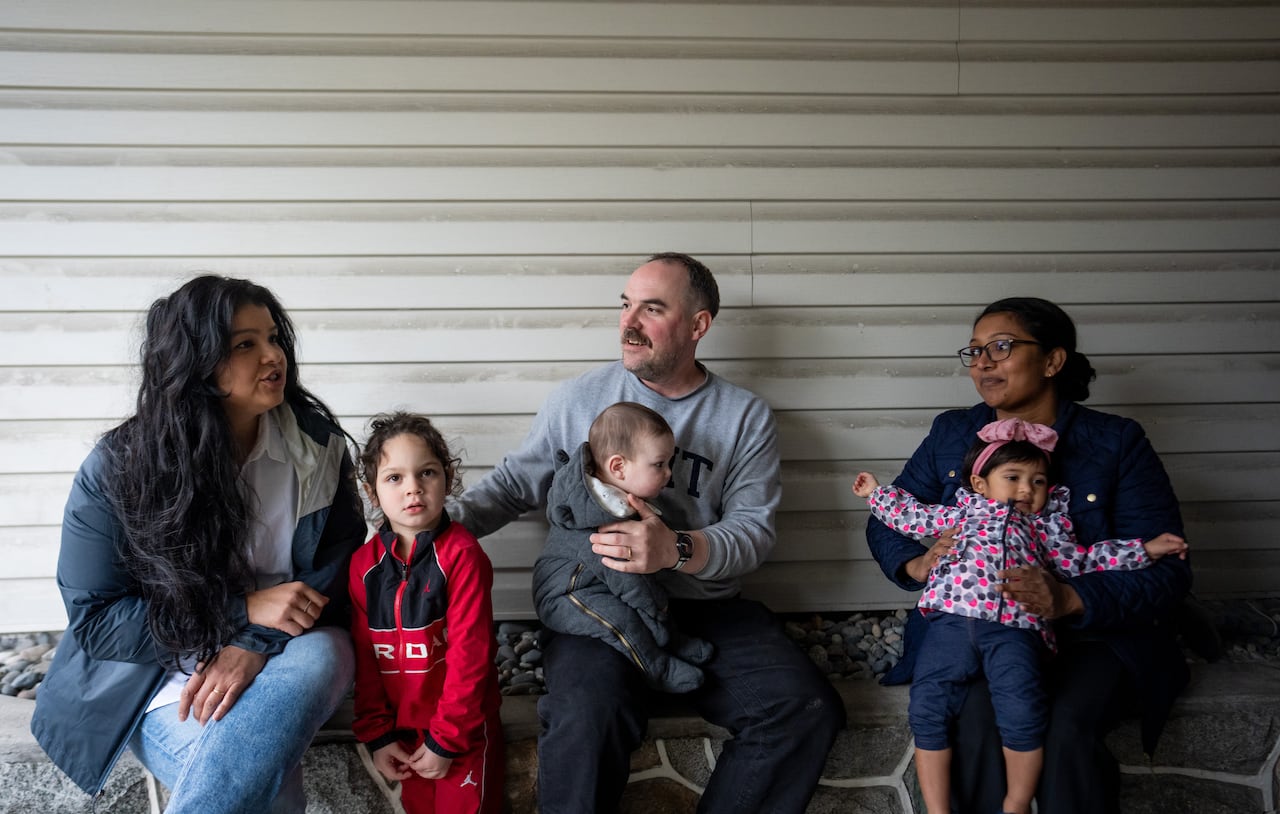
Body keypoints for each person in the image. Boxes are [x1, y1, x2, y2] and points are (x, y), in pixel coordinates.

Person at [449, 252, 844, 813]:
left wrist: (678, 549)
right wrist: (427, 527)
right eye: (626, 304)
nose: (629, 322)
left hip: (705, 609)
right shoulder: (577, 401)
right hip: (599, 601)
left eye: (652, 308)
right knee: (587, 716)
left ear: (698, 325)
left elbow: (753, 532)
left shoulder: (743, 416)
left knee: (803, 710)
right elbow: (513, 487)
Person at [31, 275, 366, 812]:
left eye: (274, 338)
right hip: (155, 676)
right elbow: (96, 619)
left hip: (288, 650)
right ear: (197, 362)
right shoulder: (119, 468)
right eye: (245, 344)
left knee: (328, 652)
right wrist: (241, 612)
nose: (272, 355)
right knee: (271, 787)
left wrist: (251, 644)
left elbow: (338, 569)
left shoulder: (316, 449)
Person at [866, 296, 1192, 814]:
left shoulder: (1115, 442)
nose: (983, 363)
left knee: (1061, 728)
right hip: (980, 624)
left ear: (1053, 361)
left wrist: (1068, 599)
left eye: (1001, 347)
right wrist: (916, 564)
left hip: (1091, 637)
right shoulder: (954, 432)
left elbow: (1166, 573)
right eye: (973, 352)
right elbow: (889, 515)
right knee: (972, 717)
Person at [349, 412, 503, 814]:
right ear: (371, 491)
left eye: (427, 473)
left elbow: (471, 657)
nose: (413, 488)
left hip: (462, 734)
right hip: (406, 736)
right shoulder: (363, 567)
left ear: (447, 480)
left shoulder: (463, 557)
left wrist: (447, 740)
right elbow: (366, 658)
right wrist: (378, 735)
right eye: (394, 478)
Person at [534, 401, 714, 694]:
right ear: (618, 466)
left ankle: (672, 640)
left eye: (669, 463)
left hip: (602, 584)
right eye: (659, 464)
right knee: (624, 623)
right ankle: (657, 667)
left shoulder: (615, 498)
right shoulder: (599, 522)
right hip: (567, 594)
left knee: (648, 602)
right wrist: (654, 617)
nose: (669, 474)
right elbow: (628, 581)